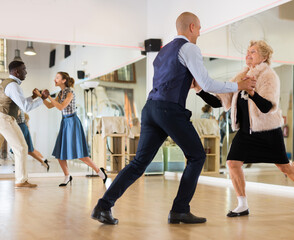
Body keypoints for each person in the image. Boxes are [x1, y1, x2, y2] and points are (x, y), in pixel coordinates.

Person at [91, 12, 255, 225]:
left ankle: (103, 206)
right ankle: (180, 210)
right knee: (197, 155)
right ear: (193, 27)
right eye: (200, 28)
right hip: (169, 110)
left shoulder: (163, 51)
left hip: (150, 109)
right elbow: (207, 83)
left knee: (139, 163)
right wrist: (239, 85)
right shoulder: (190, 48)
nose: (200, 33)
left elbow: (177, 79)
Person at [193, 40, 294, 217]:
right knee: (232, 163)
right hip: (245, 131)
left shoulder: (269, 76)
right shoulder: (241, 76)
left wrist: (251, 92)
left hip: (268, 131)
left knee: (284, 167)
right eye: (247, 52)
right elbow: (218, 101)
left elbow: (267, 107)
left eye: (253, 52)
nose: (248, 55)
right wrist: (199, 90)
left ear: (265, 56)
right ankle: (242, 204)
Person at [38, 72, 107, 186]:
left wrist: (49, 96)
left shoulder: (70, 93)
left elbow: (60, 107)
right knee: (60, 153)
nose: (55, 79)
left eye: (57, 78)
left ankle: (100, 172)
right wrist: (42, 97)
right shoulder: (61, 93)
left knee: (81, 155)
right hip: (65, 122)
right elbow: (50, 106)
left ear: (64, 80)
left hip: (73, 122)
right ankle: (67, 176)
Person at [0, 60, 47, 188]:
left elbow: (19, 102)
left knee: (21, 147)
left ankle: (21, 180)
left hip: (3, 117)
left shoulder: (7, 83)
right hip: (5, 119)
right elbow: (25, 107)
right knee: (21, 148)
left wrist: (33, 97)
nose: (26, 72)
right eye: (24, 69)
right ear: (16, 72)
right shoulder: (14, 86)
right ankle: (21, 181)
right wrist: (42, 100)